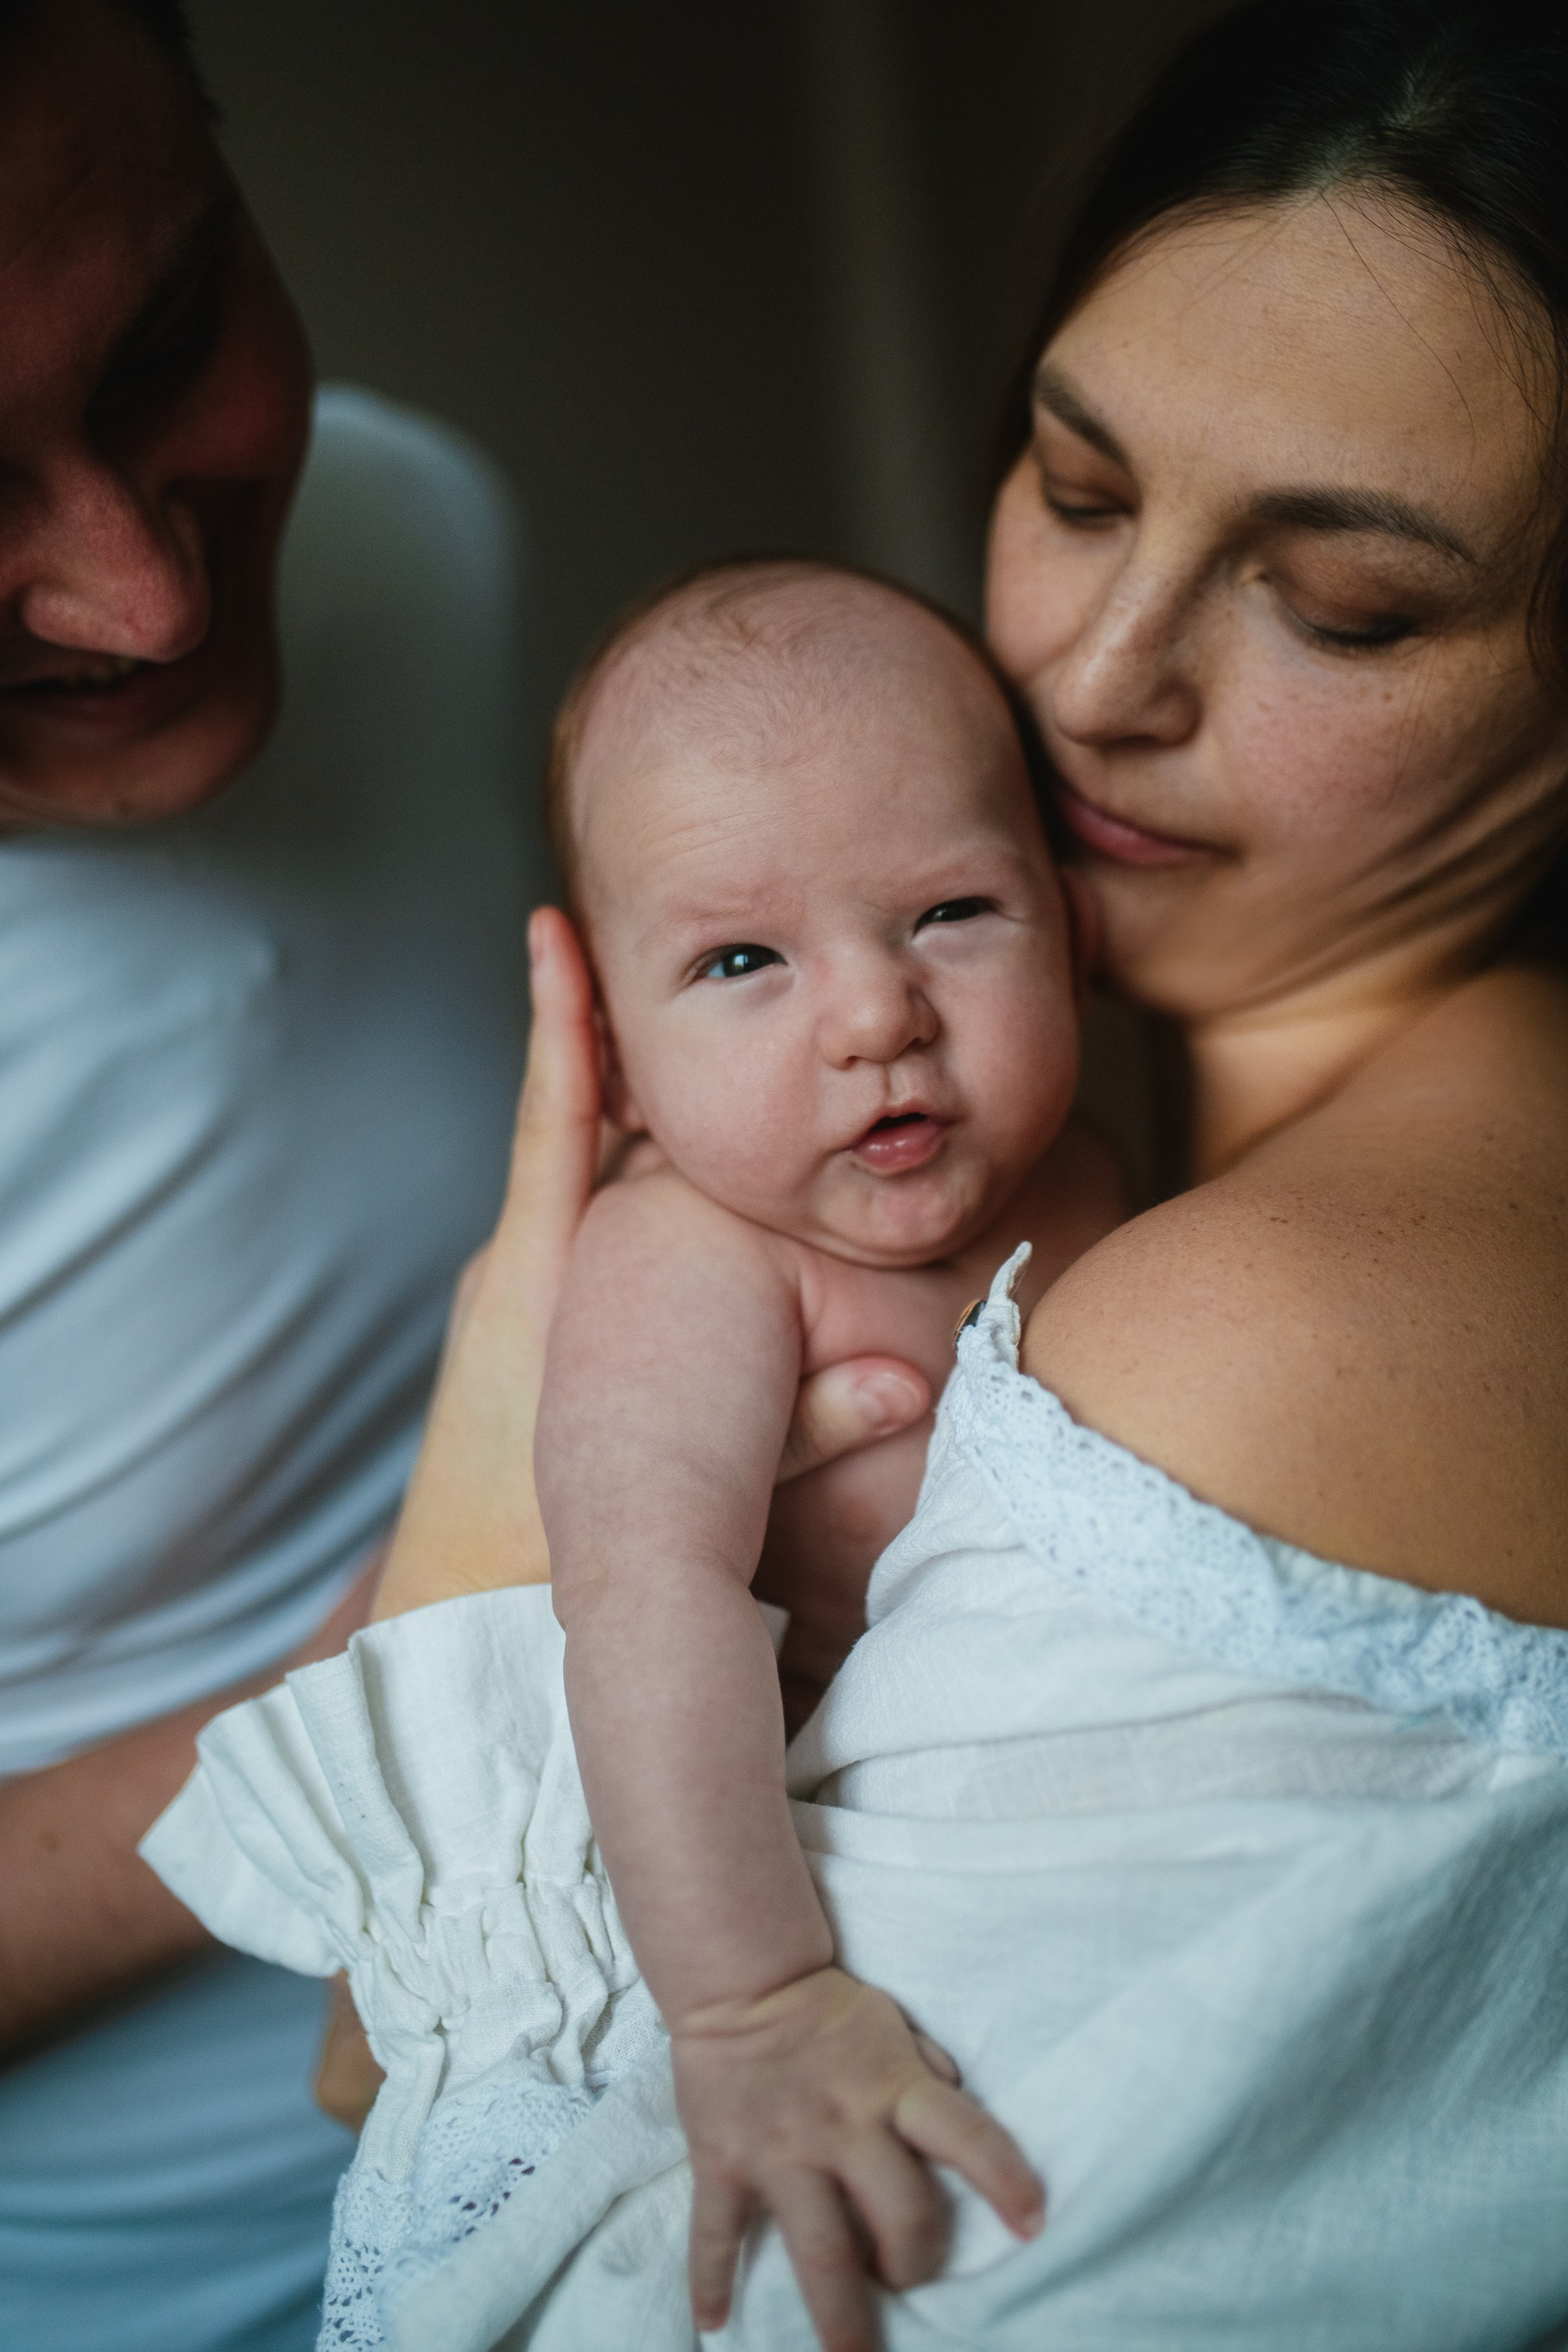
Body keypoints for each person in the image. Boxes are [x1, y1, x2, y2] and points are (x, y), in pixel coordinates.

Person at [142, 0, 1568, 2347]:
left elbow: (550, 2234)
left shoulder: (1270, 1331)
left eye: (1347, 604)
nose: (1095, 678)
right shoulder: (1021, 1185)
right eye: (1080, 485)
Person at [536, 556, 1128, 2334]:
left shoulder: (1095, 1165)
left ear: (1075, 930)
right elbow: (641, 1593)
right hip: (749, 1869)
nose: (876, 1014)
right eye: (739, 960)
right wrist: (749, 2006)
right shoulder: (690, 1253)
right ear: (618, 1066)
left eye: (951, 911)